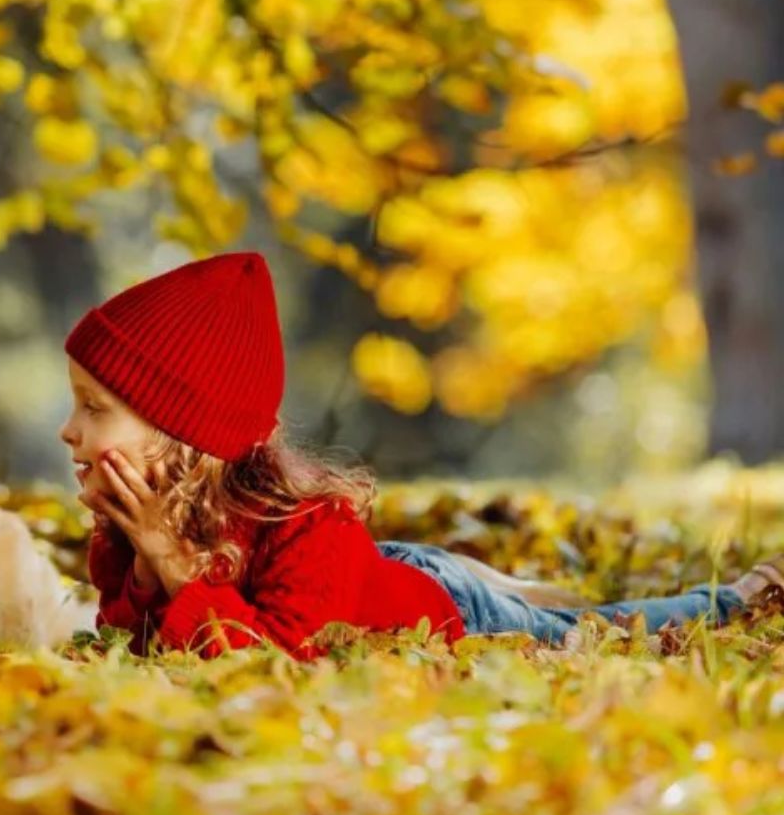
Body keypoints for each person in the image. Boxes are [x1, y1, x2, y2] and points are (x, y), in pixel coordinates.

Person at [60, 252, 784, 659]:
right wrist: (149, 560)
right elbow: (135, 641)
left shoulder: (307, 525)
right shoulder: (141, 523)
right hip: (371, 577)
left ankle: (736, 597)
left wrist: (177, 569)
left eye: (94, 408)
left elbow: (276, 663)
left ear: (183, 435)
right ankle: (502, 581)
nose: (68, 430)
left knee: (597, 634)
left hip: (438, 611)